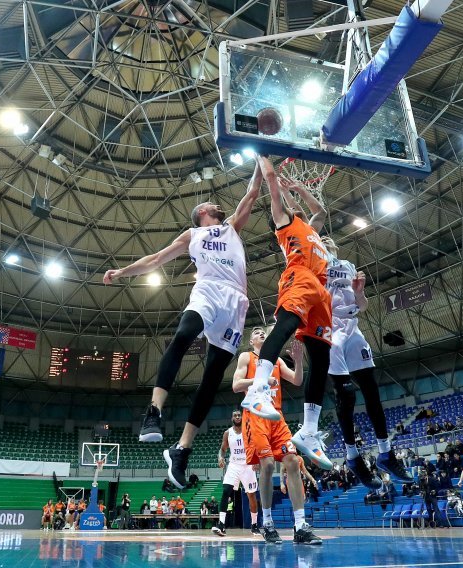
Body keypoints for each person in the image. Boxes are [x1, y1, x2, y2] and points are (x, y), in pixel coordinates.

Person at [103, 162, 262, 489]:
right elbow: (154, 260)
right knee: (183, 335)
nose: (217, 205)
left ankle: (182, 449)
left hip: (236, 301)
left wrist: (262, 160)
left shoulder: (231, 227)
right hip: (207, 291)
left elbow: (252, 193)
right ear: (202, 212)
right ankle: (154, 411)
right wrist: (121, 273)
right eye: (211, 204)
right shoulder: (193, 234)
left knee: (212, 377)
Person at [239, 156, 333, 473]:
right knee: (286, 326)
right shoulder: (285, 224)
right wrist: (264, 157)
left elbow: (321, 212)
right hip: (299, 278)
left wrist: (296, 189)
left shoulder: (311, 229)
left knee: (322, 357)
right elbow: (271, 185)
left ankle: (308, 429)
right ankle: (258, 389)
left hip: (321, 290)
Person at [321, 235, 412, 487]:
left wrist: (359, 292)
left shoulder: (349, 266)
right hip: (330, 328)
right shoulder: (314, 261)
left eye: (329, 238)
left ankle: (386, 453)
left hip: (352, 329)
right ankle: (352, 458)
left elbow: (363, 306)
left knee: (372, 392)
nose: (326, 237)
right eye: (320, 237)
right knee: (345, 395)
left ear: (337, 245)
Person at [233, 327, 321, 545]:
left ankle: (300, 525)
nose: (261, 333)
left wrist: (299, 360)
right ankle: (268, 523)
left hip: (276, 416)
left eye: (264, 331)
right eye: (256, 332)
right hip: (255, 415)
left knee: (292, 461)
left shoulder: (277, 361)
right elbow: (236, 385)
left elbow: (297, 380)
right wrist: (259, 381)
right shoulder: (247, 357)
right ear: (251, 340)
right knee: (268, 464)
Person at [213, 409, 260, 537]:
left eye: (239, 415)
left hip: (248, 465)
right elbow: (222, 449)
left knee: (251, 495)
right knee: (226, 491)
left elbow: (256, 445)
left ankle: (254, 525)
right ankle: (221, 525)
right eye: (235, 415)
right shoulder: (227, 433)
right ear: (232, 418)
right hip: (233, 465)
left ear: (242, 417)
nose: (238, 417)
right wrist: (220, 457)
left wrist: (257, 460)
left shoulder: (248, 430)